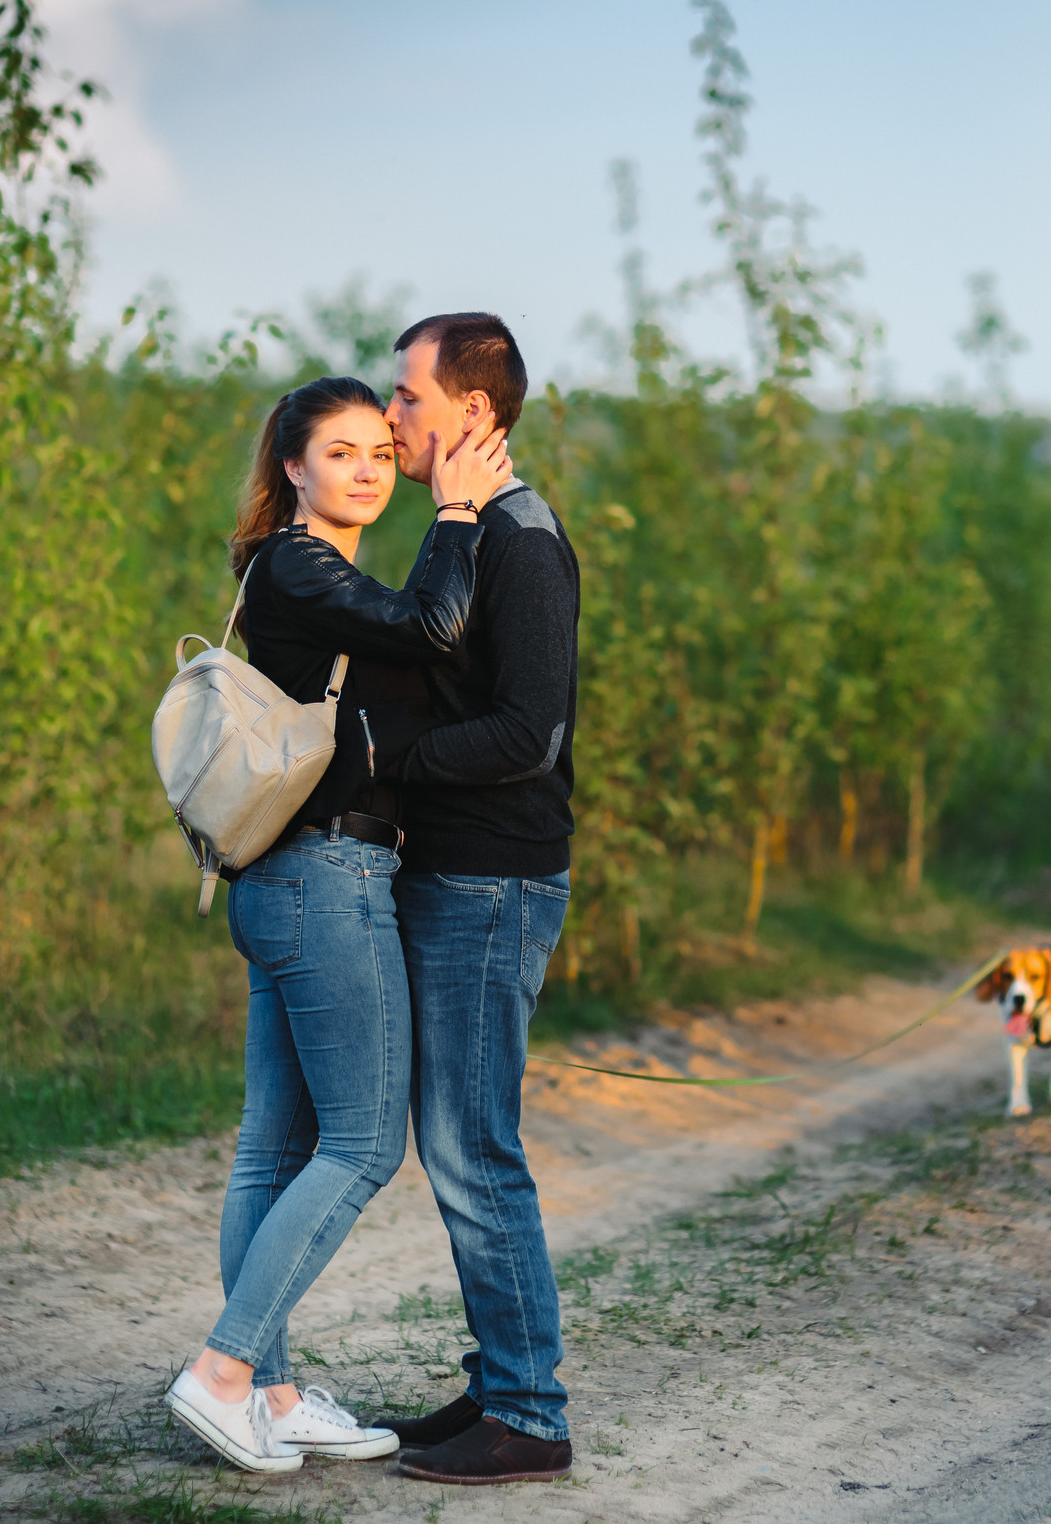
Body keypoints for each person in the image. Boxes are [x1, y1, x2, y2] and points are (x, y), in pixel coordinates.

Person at [163, 375, 512, 1474]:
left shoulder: (324, 576)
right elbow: (431, 622)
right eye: (340, 452)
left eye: (379, 452)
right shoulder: (296, 564)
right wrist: (458, 511)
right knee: (362, 1144)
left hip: (293, 879)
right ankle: (224, 1371)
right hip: (326, 877)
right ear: (293, 466)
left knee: (275, 1145)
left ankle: (267, 1392)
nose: (367, 469)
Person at [362, 314, 586, 1485]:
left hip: (493, 880)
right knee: (457, 1139)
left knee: (472, 1145)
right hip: (455, 873)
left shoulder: (522, 537)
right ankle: (500, 1382)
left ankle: (531, 1415)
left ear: (474, 410)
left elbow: (527, 732)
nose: (388, 413)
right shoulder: (466, 525)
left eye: (407, 394)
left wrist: (387, 764)